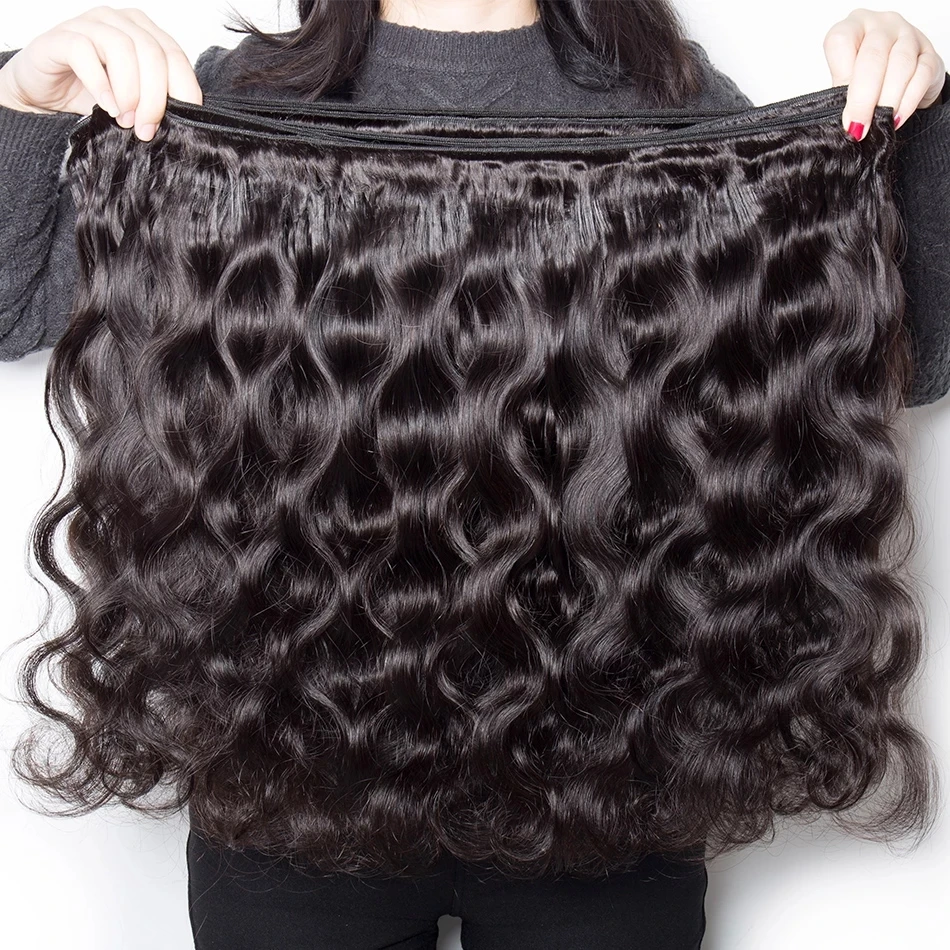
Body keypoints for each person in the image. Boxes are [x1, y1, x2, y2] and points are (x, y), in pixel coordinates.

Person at [1, 3, 948, 948]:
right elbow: (12, 311)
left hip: (608, 777)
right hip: (290, 783)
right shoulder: (224, 104)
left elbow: (918, 361)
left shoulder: (679, 110)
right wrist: (23, 98)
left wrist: (923, 122)